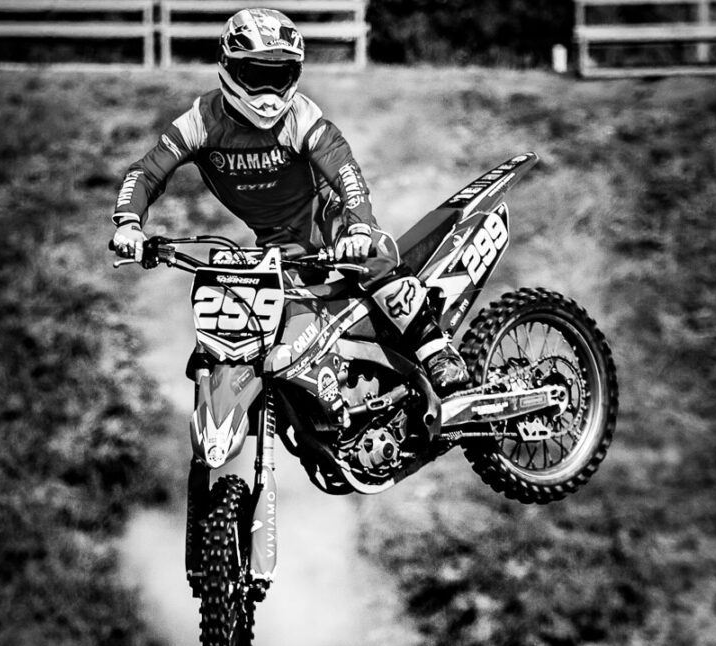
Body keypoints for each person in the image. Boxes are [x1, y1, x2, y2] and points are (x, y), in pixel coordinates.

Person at [112, 7, 469, 394]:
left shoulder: (301, 116)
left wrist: (359, 228)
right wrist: (129, 223)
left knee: (374, 255)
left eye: (279, 76)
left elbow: (345, 172)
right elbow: (146, 173)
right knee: (266, 340)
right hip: (278, 243)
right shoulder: (200, 121)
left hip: (329, 219)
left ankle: (437, 351)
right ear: (228, 66)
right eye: (257, 75)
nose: (268, 92)